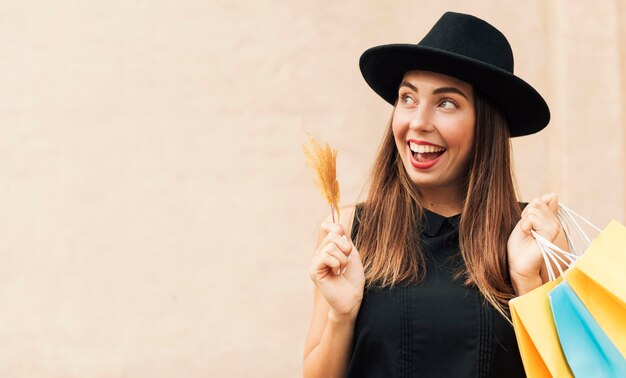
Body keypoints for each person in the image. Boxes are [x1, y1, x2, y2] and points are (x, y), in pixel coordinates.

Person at [302, 11, 570, 378]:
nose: (418, 122)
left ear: (485, 125)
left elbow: (570, 371)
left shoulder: (536, 237)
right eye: (407, 98)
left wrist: (527, 282)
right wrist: (341, 316)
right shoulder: (348, 231)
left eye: (446, 103)